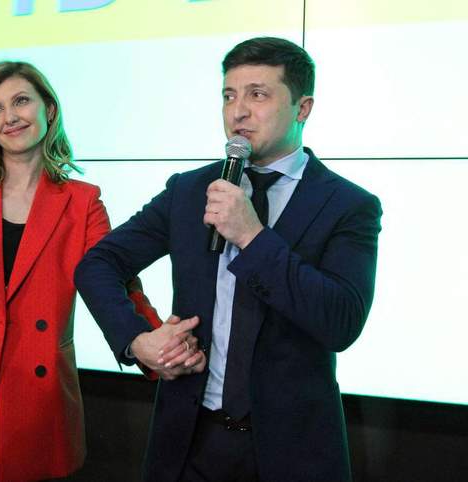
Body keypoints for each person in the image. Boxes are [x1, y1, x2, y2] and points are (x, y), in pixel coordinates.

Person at [0, 61, 199, 482]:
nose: (9, 117)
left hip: (33, 405)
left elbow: (116, 281)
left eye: (21, 101)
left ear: (50, 110)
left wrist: (158, 345)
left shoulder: (82, 202)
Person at [75, 37, 382, 482]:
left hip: (292, 452)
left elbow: (341, 322)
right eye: (228, 96)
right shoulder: (189, 190)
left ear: (302, 108)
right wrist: (138, 341)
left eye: (257, 94)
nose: (238, 111)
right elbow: (99, 264)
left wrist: (252, 236)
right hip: (188, 442)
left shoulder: (348, 205)